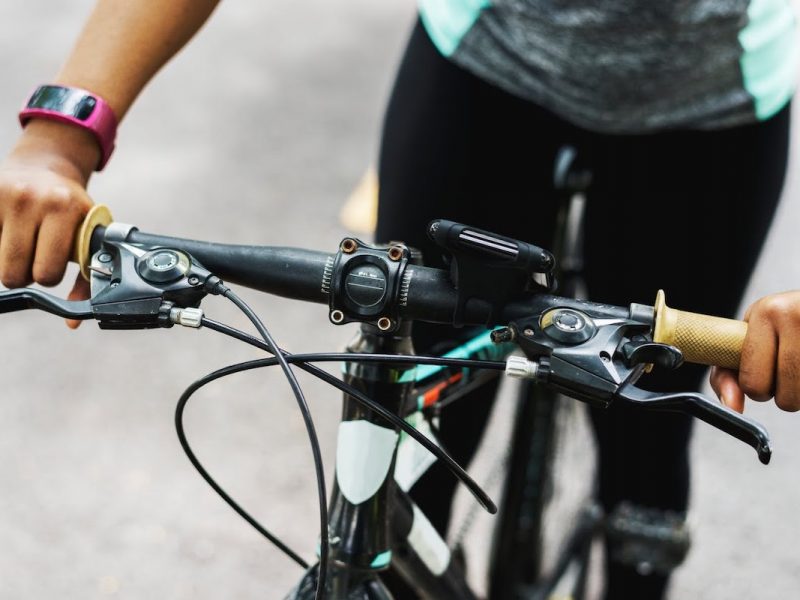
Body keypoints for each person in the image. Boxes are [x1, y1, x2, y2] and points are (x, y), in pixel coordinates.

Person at [0, 1, 797, 598]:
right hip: (484, 66)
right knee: (407, 444)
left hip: (708, 110)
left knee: (650, 439)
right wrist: (60, 140)